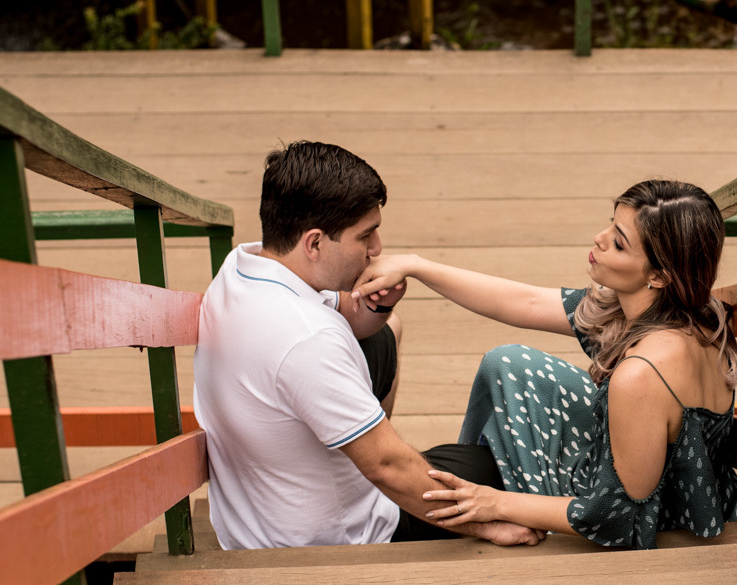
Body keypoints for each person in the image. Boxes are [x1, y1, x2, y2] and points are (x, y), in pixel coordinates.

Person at [352, 179, 737, 550]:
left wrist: (495, 503)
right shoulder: (685, 311)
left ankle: (471, 504)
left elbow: (618, 517)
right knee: (506, 364)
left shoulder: (642, 374)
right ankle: (472, 475)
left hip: (653, 520)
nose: (600, 239)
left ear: (658, 275)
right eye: (611, 225)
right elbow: (525, 303)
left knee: (492, 483)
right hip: (654, 467)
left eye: (620, 244)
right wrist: (418, 266)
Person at [192, 140, 542, 550]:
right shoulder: (307, 339)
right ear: (315, 243)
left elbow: (355, 319)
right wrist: (487, 525)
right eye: (365, 236)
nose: (377, 249)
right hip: (333, 539)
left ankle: (365, 429)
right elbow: (387, 467)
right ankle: (370, 434)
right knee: (509, 471)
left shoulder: (245, 267)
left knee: (384, 331)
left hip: (259, 515)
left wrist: (382, 303)